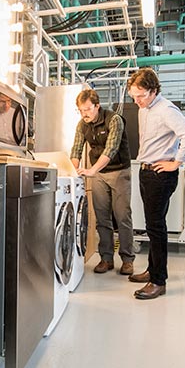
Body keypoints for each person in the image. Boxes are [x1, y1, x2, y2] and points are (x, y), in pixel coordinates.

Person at [125, 68, 185, 300]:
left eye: (141, 96)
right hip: (147, 171)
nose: (137, 101)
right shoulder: (145, 108)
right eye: (133, 96)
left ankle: (158, 281)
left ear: (154, 90)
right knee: (151, 225)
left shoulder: (166, 109)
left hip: (160, 175)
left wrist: (176, 163)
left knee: (156, 227)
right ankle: (151, 270)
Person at [70, 89, 135, 276]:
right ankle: (106, 259)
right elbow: (76, 149)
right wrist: (72, 170)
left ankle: (127, 260)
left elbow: (111, 149)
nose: (84, 114)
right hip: (98, 174)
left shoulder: (114, 119)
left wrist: (92, 169)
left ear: (97, 106)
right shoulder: (82, 125)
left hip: (119, 171)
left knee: (122, 217)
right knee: (102, 218)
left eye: (88, 109)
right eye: (81, 110)